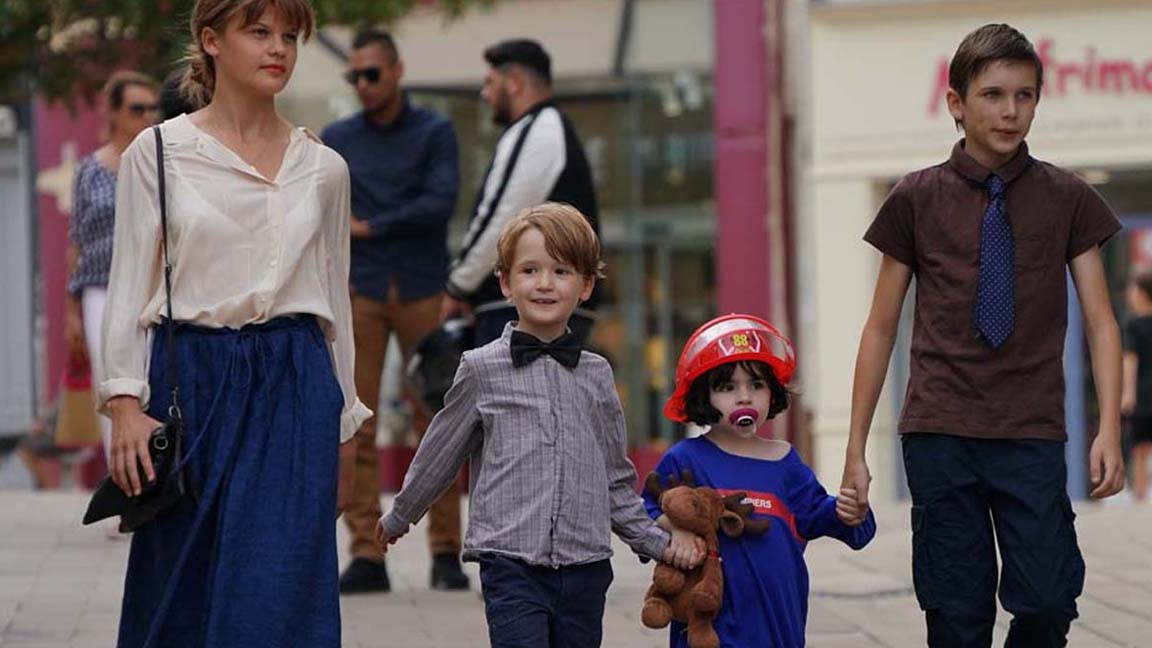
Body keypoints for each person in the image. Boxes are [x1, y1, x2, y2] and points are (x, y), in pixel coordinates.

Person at [841, 23, 1126, 647]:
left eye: (1025, 95)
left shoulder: (1067, 197)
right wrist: (855, 447)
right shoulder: (915, 198)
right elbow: (881, 326)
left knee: (1048, 600)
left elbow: (1101, 320)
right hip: (941, 432)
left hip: (1031, 430)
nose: (1010, 111)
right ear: (956, 103)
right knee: (955, 615)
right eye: (993, 95)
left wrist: (1108, 428)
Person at [97, 1, 370, 645]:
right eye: (259, 32)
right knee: (181, 588)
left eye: (289, 36)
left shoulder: (324, 168)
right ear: (211, 40)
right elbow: (127, 284)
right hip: (192, 379)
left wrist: (345, 426)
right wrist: (124, 405)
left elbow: (334, 303)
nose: (278, 48)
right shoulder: (157, 153)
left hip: (296, 381)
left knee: (279, 585)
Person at [377, 203, 702, 648]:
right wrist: (402, 514)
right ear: (506, 283)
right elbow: (441, 451)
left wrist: (659, 544)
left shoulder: (597, 375)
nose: (545, 283)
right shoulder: (480, 368)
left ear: (586, 286)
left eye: (561, 271)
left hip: (586, 567)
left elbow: (614, 479)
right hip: (509, 562)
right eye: (530, 270)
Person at [321, 28, 467, 593]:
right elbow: (328, 208)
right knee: (354, 421)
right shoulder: (339, 137)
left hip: (423, 288)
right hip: (358, 290)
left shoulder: (435, 131)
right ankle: (366, 553)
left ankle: (446, 551)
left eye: (372, 73)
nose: (362, 84)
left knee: (442, 421)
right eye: (353, 76)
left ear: (397, 70)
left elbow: (439, 202)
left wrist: (373, 225)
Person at [645, 314, 875, 647]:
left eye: (756, 385)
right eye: (727, 387)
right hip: (710, 627)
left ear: (773, 392)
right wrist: (675, 529)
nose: (744, 397)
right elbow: (643, 514)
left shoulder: (786, 463)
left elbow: (821, 514)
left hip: (777, 624)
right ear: (702, 394)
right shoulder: (686, 458)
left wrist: (849, 511)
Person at [441, 39, 601, 346]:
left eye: (490, 82)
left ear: (514, 82)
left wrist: (457, 286)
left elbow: (503, 218)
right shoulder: (546, 127)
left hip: (523, 306)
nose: (485, 94)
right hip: (548, 302)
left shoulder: (539, 128)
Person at [66, 70, 160, 463]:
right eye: (137, 109)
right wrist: (71, 312)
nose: (147, 117)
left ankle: (154, 474)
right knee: (112, 386)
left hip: (150, 289)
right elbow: (76, 240)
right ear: (115, 113)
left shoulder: (161, 165)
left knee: (153, 380)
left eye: (153, 108)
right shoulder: (90, 170)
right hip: (101, 289)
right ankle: (120, 475)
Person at [1121, 268, 1152, 501]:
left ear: (1142, 293)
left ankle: (1141, 496)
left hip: (1142, 393)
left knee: (1139, 448)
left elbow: (1130, 361)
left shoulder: (1133, 326)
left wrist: (1127, 394)